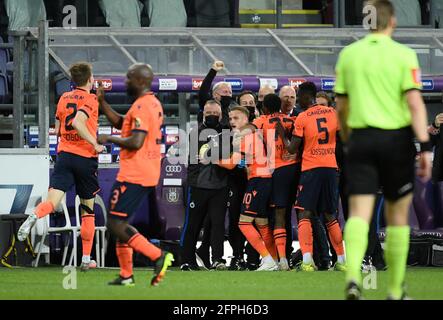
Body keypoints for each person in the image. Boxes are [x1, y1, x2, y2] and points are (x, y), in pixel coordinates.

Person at [335, 0, 432, 300]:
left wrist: (350, 139)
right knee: (397, 216)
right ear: (393, 22)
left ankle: (353, 278)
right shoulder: (403, 54)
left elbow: (342, 105)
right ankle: (394, 290)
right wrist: (425, 147)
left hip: (361, 139)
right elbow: (414, 103)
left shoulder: (349, 55)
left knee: (358, 213)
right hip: (396, 142)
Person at [17, 62, 105, 271]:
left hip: (64, 156)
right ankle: (85, 259)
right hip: (85, 157)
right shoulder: (91, 99)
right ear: (90, 79)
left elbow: (57, 129)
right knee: (87, 211)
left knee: (52, 201)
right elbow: (77, 122)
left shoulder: (64, 98)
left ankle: (34, 216)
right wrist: (94, 142)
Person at [97, 63, 174, 286]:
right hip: (145, 171)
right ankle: (126, 274)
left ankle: (158, 256)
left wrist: (108, 138)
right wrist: (102, 103)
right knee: (122, 223)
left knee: (115, 225)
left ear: (141, 81)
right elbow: (123, 124)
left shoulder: (142, 106)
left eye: (129, 78)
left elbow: (135, 141)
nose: (125, 81)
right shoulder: (149, 103)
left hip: (135, 173)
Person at [278, 82, 346, 272]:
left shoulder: (302, 117)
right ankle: (341, 260)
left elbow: (292, 149)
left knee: (304, 213)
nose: (298, 100)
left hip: (311, 170)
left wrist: (282, 134)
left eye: (299, 96)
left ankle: (307, 260)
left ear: (307, 96)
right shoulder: (332, 113)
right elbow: (344, 138)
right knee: (330, 215)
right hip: (331, 169)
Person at [217, 106, 278, 271]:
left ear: (246, 119)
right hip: (265, 180)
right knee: (262, 223)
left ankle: (267, 260)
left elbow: (230, 164)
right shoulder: (254, 135)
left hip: (258, 181)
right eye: (230, 119)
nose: (232, 122)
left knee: (244, 223)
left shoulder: (247, 137)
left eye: (236, 118)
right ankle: (274, 260)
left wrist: (211, 159)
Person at [180, 100, 231, 271]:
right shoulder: (196, 133)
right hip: (198, 186)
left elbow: (224, 154)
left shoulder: (226, 132)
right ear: (202, 114)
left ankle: (218, 260)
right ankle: (187, 260)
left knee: (218, 225)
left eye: (215, 114)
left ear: (221, 115)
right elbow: (201, 158)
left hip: (220, 186)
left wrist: (212, 156)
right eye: (209, 113)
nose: (212, 116)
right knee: (192, 224)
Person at [253, 94, 298, 271]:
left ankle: (283, 260)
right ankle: (314, 257)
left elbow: (249, 134)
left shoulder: (262, 121)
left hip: (276, 171)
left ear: (264, 108)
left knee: (278, 214)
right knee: (302, 214)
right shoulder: (291, 120)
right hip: (295, 169)